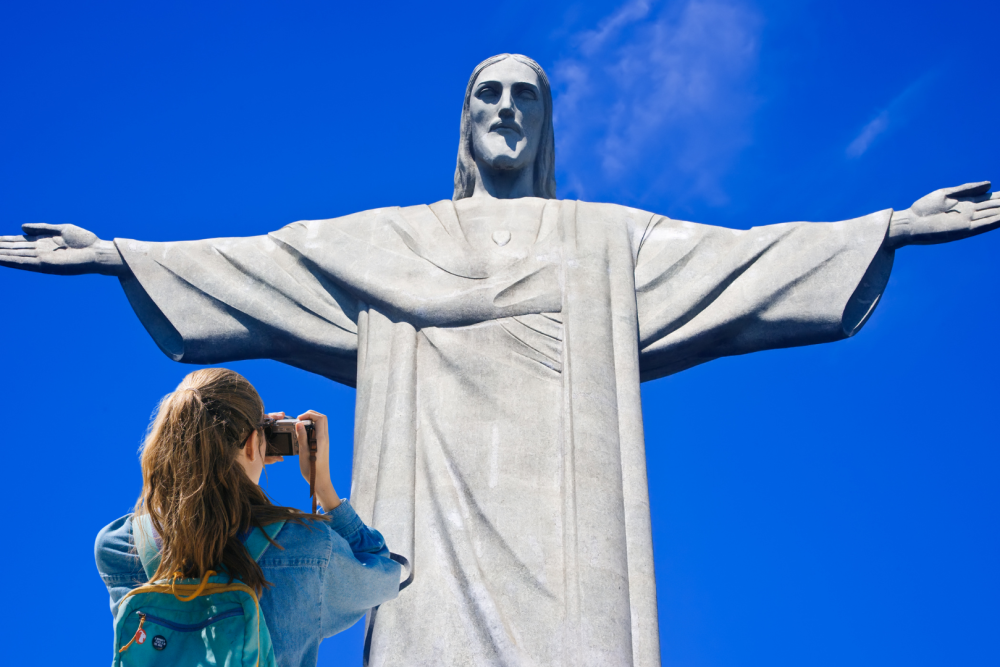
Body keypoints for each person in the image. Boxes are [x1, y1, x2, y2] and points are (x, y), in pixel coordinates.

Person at [4, 54, 999, 665]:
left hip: (570, 527)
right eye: (489, 95)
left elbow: (736, 261)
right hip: (426, 507)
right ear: (467, 123)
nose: (508, 111)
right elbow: (268, 259)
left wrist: (888, 228)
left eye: (527, 96)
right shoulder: (390, 241)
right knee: (411, 607)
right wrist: (120, 255)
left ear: (546, 123)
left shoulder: (605, 241)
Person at [94, 368, 401, 666]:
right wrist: (323, 489)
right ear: (255, 442)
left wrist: (245, 448)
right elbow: (383, 572)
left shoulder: (118, 547)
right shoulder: (308, 549)